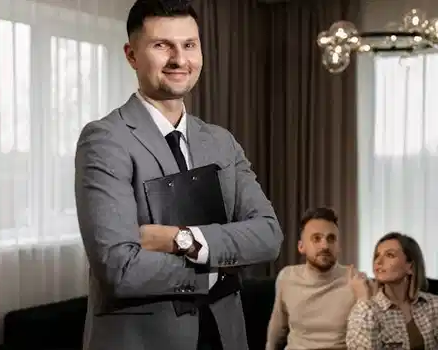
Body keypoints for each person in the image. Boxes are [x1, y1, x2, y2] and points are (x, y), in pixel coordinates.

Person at [74, 0, 283, 349]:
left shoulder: (220, 142)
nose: (179, 60)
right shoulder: (105, 139)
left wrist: (180, 239)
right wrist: (219, 268)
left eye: (189, 45)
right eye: (162, 45)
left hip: (225, 336)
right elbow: (119, 268)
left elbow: (269, 235)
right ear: (131, 55)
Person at [346, 232, 438, 350]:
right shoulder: (366, 311)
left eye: (390, 255)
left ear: (410, 267)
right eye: (377, 255)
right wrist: (363, 299)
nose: (378, 261)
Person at [265, 207, 355, 350]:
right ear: (301, 247)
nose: (325, 246)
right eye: (316, 239)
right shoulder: (287, 277)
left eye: (331, 239)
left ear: (338, 247)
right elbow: (277, 328)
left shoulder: (355, 280)